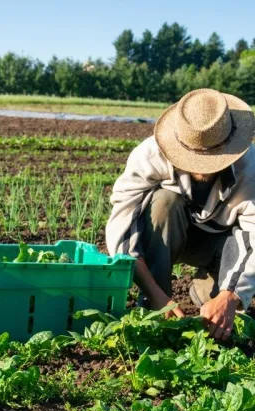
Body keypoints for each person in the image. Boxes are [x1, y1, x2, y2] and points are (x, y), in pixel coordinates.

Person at [106, 88, 255, 341]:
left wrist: (230, 296)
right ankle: (153, 307)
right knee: (164, 201)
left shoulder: (249, 170)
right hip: (170, 233)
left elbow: (253, 238)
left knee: (219, 316)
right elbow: (123, 231)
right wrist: (156, 295)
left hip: (222, 243)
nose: (202, 168)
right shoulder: (150, 156)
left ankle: (208, 284)